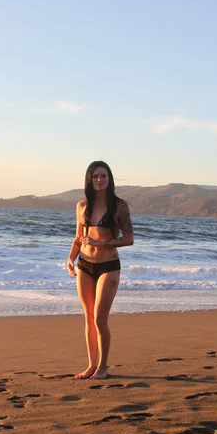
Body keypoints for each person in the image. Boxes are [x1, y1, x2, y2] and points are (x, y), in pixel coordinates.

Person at [67, 161, 134, 379]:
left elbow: (129, 239)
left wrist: (102, 244)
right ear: (89, 179)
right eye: (95, 176)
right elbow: (79, 237)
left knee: (99, 319)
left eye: (103, 176)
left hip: (109, 266)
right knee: (88, 317)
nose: (99, 180)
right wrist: (70, 258)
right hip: (85, 265)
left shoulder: (119, 206)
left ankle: (103, 367)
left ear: (109, 178)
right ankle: (91, 365)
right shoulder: (81, 206)